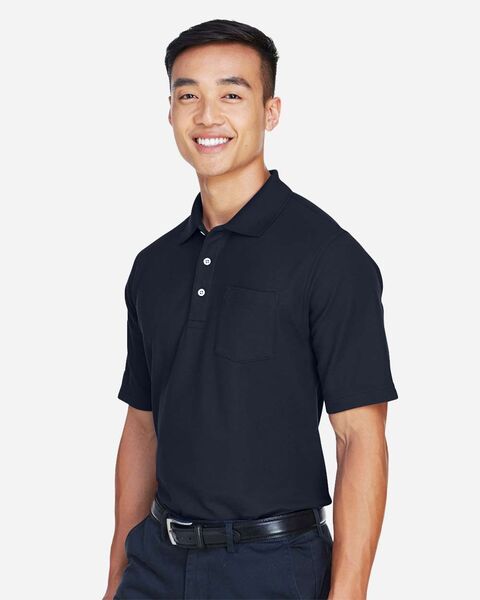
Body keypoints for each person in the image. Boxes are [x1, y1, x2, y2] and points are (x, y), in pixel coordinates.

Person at [104, 18, 399, 600]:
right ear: (170, 112)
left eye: (231, 95)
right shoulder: (154, 266)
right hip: (156, 564)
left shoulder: (329, 256)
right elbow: (142, 427)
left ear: (270, 111)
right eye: (189, 95)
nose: (207, 116)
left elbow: (359, 439)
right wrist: (118, 577)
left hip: (274, 568)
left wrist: (349, 594)